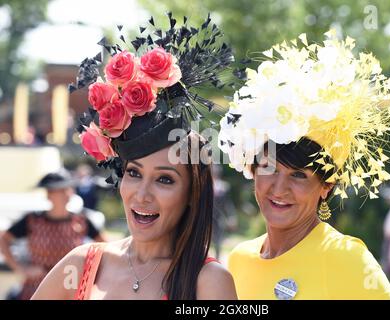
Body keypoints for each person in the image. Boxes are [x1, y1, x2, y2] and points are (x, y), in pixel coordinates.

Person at [32, 13, 238, 300]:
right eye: (134, 173)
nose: (142, 194)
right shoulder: (81, 266)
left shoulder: (207, 282)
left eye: (164, 179)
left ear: (192, 192)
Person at [218, 30, 390, 299]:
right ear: (252, 170)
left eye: (299, 175)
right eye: (269, 168)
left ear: (326, 185)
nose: (279, 188)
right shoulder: (239, 259)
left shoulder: (347, 258)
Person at [0, 170, 105, 300]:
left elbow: (105, 247)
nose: (67, 193)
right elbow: (3, 240)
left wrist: (91, 273)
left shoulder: (81, 221)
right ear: (49, 194)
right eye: (60, 190)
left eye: (68, 189)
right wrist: (21, 268)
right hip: (36, 289)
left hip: (70, 290)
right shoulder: (32, 220)